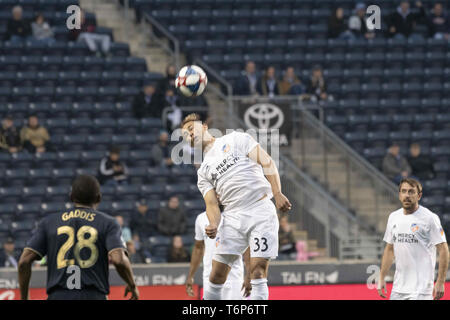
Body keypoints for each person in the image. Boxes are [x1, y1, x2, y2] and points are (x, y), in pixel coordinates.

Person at [181, 113, 292, 300]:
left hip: (260, 210)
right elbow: (212, 204)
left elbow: (267, 161)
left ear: (205, 127)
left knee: (257, 271)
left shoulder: (236, 138)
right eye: (185, 135)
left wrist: (277, 192)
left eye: (191, 129)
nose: (190, 135)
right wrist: (214, 224)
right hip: (232, 216)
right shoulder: (203, 172)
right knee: (215, 276)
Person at [17, 175, 139, 300]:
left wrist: (24, 298)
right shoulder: (108, 223)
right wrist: (132, 284)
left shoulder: (48, 222)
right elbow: (119, 260)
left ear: (71, 197)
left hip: (58, 295)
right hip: (93, 295)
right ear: (99, 198)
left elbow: (23, 262)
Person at [378, 178, 448, 300]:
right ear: (399, 195)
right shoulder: (393, 217)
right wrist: (381, 277)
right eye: (404, 191)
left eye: (411, 192)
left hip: (421, 291)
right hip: (398, 289)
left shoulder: (430, 218)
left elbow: (444, 250)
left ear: (419, 195)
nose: (407, 195)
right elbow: (390, 249)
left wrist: (441, 282)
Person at [186, 208, 251, 300]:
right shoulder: (201, 218)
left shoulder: (236, 216)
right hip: (209, 278)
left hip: (234, 278)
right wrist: (190, 276)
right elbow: (198, 248)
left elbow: (247, 248)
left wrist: (249, 275)